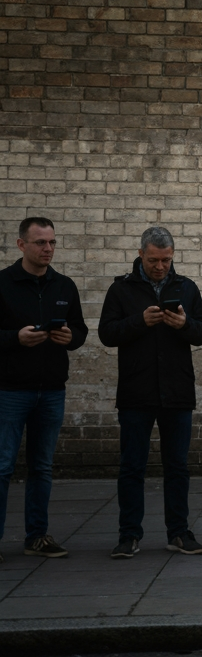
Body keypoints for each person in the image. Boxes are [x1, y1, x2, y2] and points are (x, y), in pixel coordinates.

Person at [99, 227, 202, 560]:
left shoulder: (186, 287)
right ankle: (128, 535)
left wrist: (184, 325)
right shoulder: (122, 289)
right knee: (131, 467)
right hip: (136, 391)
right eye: (153, 260)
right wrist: (138, 321)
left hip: (177, 392)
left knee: (177, 467)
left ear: (173, 256)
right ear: (141, 255)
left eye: (165, 260)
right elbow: (106, 334)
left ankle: (179, 532)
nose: (160, 267)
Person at [0, 218, 88, 562]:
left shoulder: (64, 286)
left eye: (52, 242)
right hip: (9, 390)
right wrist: (14, 338)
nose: (48, 249)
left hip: (52, 389)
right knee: (3, 467)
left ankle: (36, 536)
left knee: (42, 467)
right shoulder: (3, 284)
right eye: (40, 243)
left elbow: (79, 330)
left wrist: (71, 338)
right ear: (21, 245)